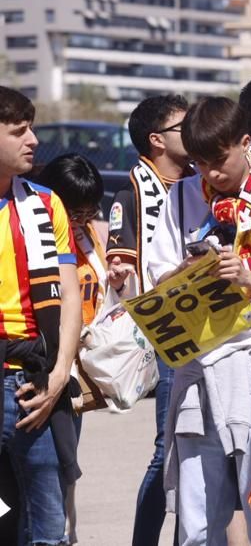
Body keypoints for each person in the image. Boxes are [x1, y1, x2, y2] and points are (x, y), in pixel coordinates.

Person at [147, 97, 251, 546]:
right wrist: (183, 272)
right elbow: (155, 277)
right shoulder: (181, 195)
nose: (211, 174)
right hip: (199, 365)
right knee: (197, 516)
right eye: (198, 163)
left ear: (245, 142)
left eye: (219, 160)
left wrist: (249, 278)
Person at [103, 93, 192, 546]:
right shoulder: (133, 191)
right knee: (169, 450)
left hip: (217, 329)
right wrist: (119, 271)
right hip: (171, 335)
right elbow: (120, 261)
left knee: (204, 453)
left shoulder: (203, 183)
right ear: (157, 140)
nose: (194, 130)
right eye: (184, 125)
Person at [0, 86, 83, 546]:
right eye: (18, 131)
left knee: (47, 517)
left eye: (30, 127)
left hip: (36, 379)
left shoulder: (45, 203)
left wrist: (59, 374)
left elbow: (69, 296)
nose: (33, 139)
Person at [36, 154, 107, 545]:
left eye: (89, 211)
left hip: (74, 370)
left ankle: (64, 532)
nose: (83, 220)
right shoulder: (33, 234)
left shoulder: (84, 235)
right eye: (75, 212)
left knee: (64, 463)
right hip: (38, 363)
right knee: (35, 470)